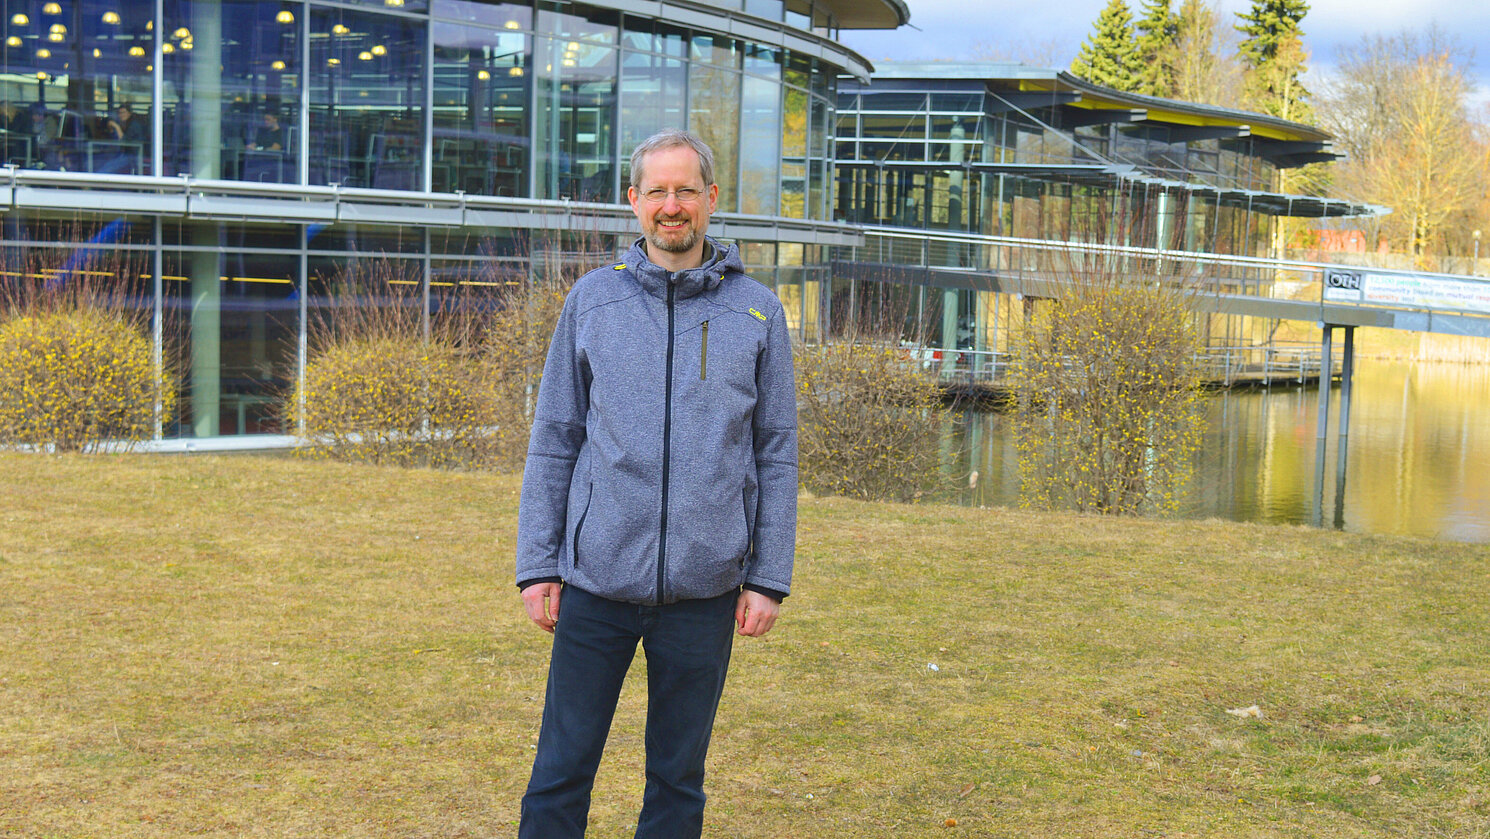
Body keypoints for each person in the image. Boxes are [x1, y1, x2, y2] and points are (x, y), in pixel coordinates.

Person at [515, 128, 798, 839]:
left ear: (710, 199)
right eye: (659, 192)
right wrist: (538, 563)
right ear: (634, 201)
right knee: (560, 770)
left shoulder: (759, 311)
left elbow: (777, 452)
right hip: (596, 581)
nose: (673, 206)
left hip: (705, 591)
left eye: (687, 191)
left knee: (678, 780)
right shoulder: (592, 302)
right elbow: (555, 439)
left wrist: (768, 575)